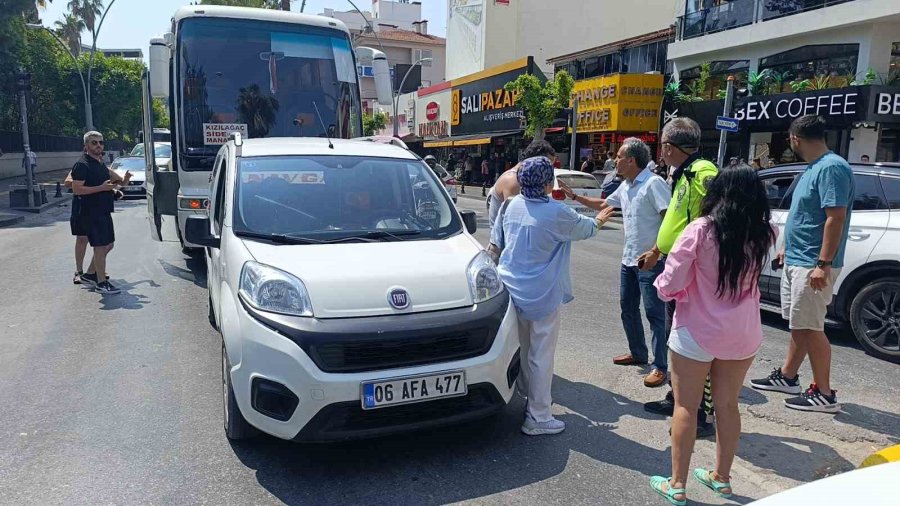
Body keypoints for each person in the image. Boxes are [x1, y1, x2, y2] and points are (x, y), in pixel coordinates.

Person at [649, 164, 777, 505]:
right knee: (728, 405)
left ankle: (677, 484)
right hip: (742, 333)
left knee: (686, 407)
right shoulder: (765, 232)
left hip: (695, 332)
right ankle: (721, 477)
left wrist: (664, 288)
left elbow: (670, 283)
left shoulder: (700, 230)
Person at [489, 156, 612, 436]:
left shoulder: (511, 205)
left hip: (510, 290)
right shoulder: (556, 212)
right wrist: (603, 217)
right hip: (542, 295)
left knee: (521, 350)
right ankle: (539, 416)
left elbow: (495, 246)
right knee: (541, 356)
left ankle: (527, 398)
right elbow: (588, 228)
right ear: (547, 183)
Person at [750, 115, 854, 413]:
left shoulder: (832, 168)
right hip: (799, 257)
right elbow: (805, 215)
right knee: (800, 323)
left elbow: (835, 217)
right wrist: (785, 246)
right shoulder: (814, 168)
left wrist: (823, 263)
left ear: (794, 138)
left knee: (811, 327)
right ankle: (787, 376)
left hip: (812, 262)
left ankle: (824, 393)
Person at [560, 138, 672, 387]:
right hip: (628, 259)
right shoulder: (628, 185)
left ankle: (660, 366)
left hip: (649, 261)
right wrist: (575, 196)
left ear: (632, 160)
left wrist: (656, 251)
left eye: (619, 157)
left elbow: (669, 220)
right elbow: (604, 204)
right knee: (628, 309)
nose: (615, 160)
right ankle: (638, 353)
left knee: (655, 314)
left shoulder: (653, 184)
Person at [638, 117, 719, 438]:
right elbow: (675, 218)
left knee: (692, 341)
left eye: (662, 145)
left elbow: (715, 217)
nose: (661, 151)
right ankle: (679, 398)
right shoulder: (683, 173)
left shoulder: (704, 173)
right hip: (676, 263)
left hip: (694, 270)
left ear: (669, 148)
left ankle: (700, 413)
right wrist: (657, 250)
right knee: (677, 336)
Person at [69, 131, 131, 294]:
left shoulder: (100, 163)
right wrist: (101, 188)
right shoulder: (82, 164)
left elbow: (115, 182)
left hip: (103, 210)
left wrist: (123, 181)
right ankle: (101, 282)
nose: (98, 145)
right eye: (94, 143)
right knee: (99, 245)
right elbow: (77, 189)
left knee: (108, 244)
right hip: (91, 211)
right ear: (86, 146)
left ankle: (90, 274)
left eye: (100, 143)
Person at [487, 140, 558, 228]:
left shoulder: (525, 178)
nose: (549, 170)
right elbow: (516, 218)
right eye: (547, 165)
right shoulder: (513, 180)